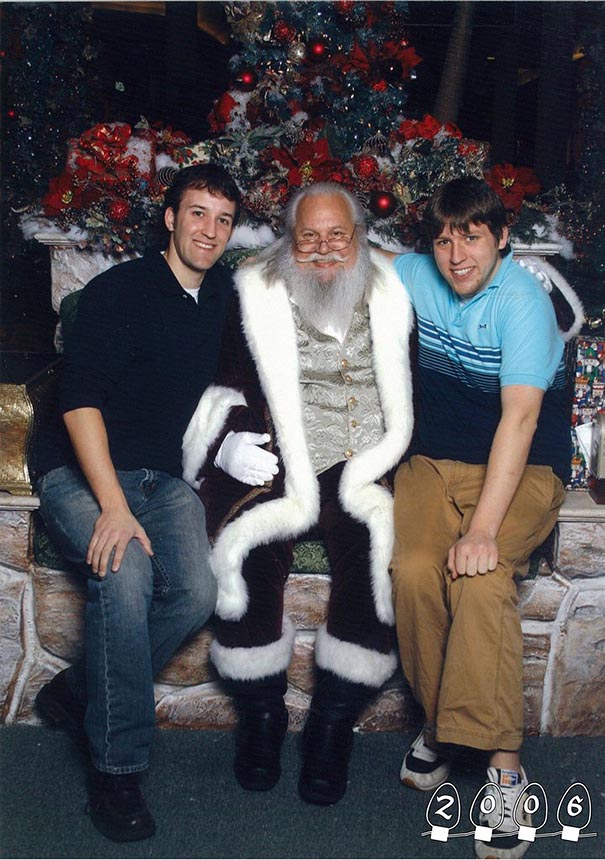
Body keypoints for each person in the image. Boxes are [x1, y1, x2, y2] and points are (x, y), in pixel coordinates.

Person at [182, 182, 415, 805]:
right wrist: (227, 440)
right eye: (308, 236)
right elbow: (223, 375)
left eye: (337, 235)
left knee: (374, 556)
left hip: (365, 457)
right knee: (249, 552)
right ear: (289, 239)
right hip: (281, 451)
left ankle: (332, 723)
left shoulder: (398, 287)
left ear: (360, 236)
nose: (323, 249)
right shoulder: (252, 289)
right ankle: (261, 715)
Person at [34, 163, 241, 842]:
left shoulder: (217, 297)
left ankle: (81, 691)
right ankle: (116, 768)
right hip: (79, 470)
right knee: (124, 576)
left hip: (159, 474)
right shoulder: (118, 291)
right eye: (197, 213)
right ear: (169, 217)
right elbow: (79, 401)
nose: (208, 230)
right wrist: (113, 506)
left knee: (195, 592)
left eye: (222, 218)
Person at [386, 177, 572, 860]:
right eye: (442, 238)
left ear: (499, 238)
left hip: (523, 465)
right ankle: (440, 724)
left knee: (479, 578)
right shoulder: (413, 274)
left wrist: (483, 530)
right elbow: (345, 259)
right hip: (433, 460)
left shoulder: (524, 302)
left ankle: (504, 767)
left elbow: (519, 420)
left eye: (470, 235)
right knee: (410, 572)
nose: (456, 253)